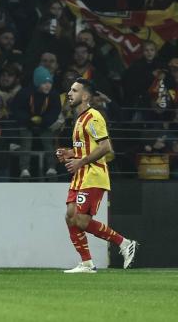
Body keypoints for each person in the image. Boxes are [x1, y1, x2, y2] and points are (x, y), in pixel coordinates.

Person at [56, 78, 139, 273]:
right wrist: (69, 154)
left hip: (93, 174)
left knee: (81, 221)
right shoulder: (78, 119)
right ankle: (86, 263)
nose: (69, 93)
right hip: (80, 174)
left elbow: (105, 147)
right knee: (70, 216)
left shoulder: (93, 116)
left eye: (74, 90)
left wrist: (81, 161)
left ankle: (124, 243)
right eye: (70, 90)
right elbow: (85, 149)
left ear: (85, 96)